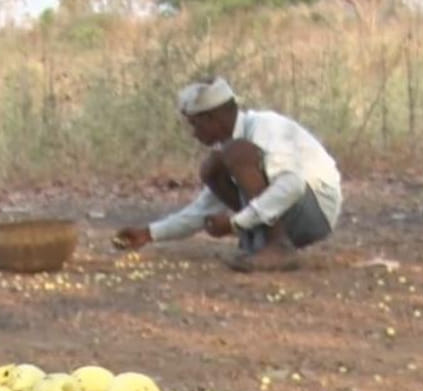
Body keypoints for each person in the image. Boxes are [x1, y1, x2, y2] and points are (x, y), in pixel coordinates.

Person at [114, 78, 342, 272]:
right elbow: (203, 209)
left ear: (214, 118)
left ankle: (278, 246)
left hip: (316, 210)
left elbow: (293, 186)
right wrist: (149, 234)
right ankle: (264, 243)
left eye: (196, 125)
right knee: (211, 168)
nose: (194, 134)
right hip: (291, 209)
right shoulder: (232, 150)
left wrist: (236, 222)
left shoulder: (263, 128)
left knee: (233, 153)